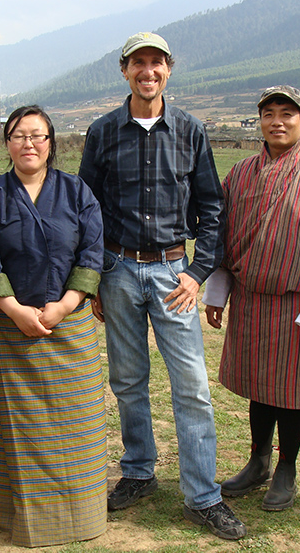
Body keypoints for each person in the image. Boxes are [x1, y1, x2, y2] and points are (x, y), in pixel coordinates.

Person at [78, 32, 246, 541]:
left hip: (174, 274)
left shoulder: (191, 131)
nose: (147, 72)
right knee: (128, 380)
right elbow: (87, 210)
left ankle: (203, 495)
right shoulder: (103, 132)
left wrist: (197, 274)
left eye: (156, 63)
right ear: (124, 70)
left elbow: (212, 210)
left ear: (169, 69)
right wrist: (93, 280)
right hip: (119, 272)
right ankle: (138, 471)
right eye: (137, 64)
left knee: (191, 386)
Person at [203, 85, 300, 511]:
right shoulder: (241, 173)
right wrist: (218, 292)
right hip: (250, 299)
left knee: (289, 390)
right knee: (258, 387)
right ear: (260, 122)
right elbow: (222, 238)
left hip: (297, 304)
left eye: (288, 114)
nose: (277, 121)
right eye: (269, 113)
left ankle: (287, 467)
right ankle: (258, 461)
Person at [0, 105, 107, 547]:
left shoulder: (76, 192)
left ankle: (77, 516)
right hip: (9, 331)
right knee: (8, 426)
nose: (29, 144)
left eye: (38, 135)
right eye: (19, 135)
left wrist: (65, 306)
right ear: (6, 143)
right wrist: (15, 310)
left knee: (74, 426)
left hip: (69, 328)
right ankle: (3, 510)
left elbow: (91, 252)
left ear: (51, 143)